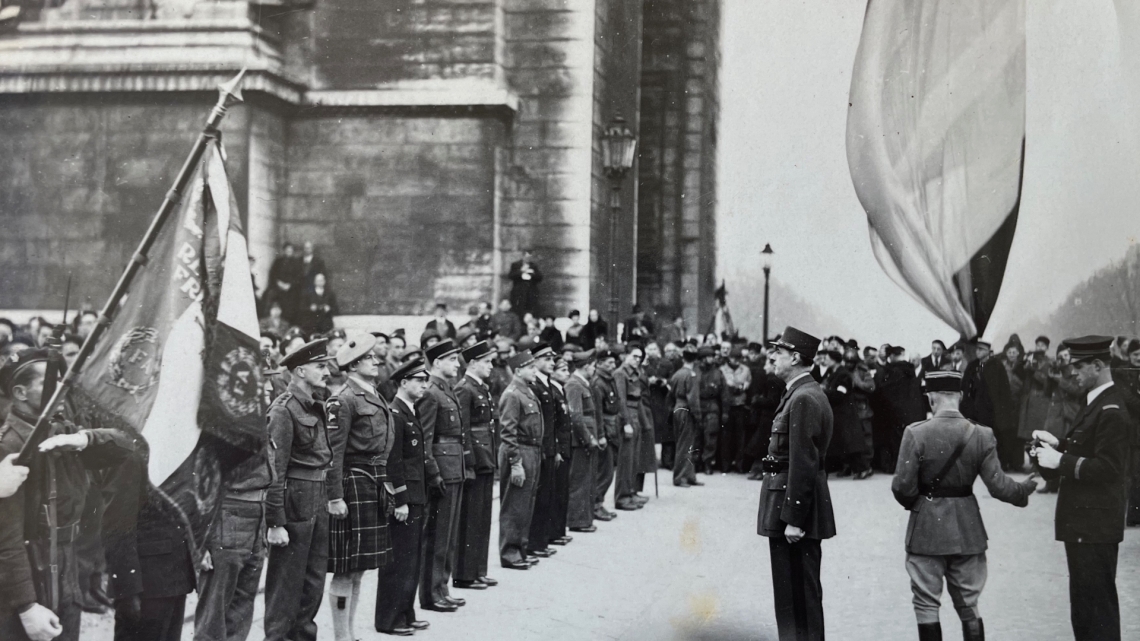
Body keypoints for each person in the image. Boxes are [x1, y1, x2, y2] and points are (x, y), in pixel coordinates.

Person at [0, 348, 136, 641]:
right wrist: (26, 606)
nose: (62, 390)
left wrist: (85, 439)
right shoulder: (11, 446)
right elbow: (7, 539)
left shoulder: (62, 432)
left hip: (66, 567)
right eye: (50, 383)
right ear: (20, 392)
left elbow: (128, 448)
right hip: (26, 574)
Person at [892, 371, 1037, 641]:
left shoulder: (915, 433)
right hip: (968, 530)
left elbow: (902, 487)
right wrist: (1023, 490)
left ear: (931, 399)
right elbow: (999, 486)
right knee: (969, 603)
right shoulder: (981, 434)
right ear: (959, 397)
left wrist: (921, 503)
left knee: (926, 603)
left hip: (926, 531)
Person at [1031, 335, 1132, 641]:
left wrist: (1060, 460)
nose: (1070, 372)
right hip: (1086, 524)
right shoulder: (1098, 401)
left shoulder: (1111, 408)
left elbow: (1109, 468)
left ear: (1098, 365)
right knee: (1085, 610)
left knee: (1096, 612)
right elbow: (1088, 448)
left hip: (1095, 526)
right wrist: (1057, 444)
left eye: (1078, 366)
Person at [757, 326, 835, 641]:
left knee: (796, 599)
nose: (772, 356)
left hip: (792, 511)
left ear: (794, 357)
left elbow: (803, 463)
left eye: (778, 351)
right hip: (790, 505)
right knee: (796, 596)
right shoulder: (801, 393)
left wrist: (793, 519)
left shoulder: (803, 397)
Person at [264, 339, 338, 641]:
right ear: (299, 370)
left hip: (316, 499)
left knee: (313, 580)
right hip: (295, 499)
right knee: (286, 583)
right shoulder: (283, 410)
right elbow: (274, 469)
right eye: (320, 366)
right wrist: (275, 521)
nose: (327, 371)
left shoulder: (315, 405)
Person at [326, 333, 396, 641]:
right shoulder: (344, 399)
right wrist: (335, 496)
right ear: (353, 365)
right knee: (346, 567)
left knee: (361, 567)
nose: (376, 361)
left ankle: (349, 633)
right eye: (369, 358)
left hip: (373, 482)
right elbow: (334, 452)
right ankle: (342, 636)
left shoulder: (372, 393)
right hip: (353, 484)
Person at [193, 379, 276, 641]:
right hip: (229, 513)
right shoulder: (222, 426)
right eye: (261, 385)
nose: (268, 389)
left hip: (256, 513)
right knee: (215, 606)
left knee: (243, 603)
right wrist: (200, 540)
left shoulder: (262, 424)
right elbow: (201, 484)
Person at [374, 358, 432, 636]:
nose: (424, 385)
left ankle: (406, 612)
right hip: (405, 497)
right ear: (404, 382)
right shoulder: (395, 413)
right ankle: (389, 618)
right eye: (419, 381)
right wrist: (400, 500)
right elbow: (393, 462)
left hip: (416, 494)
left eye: (425, 380)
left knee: (412, 559)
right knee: (398, 561)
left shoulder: (410, 411)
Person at [416, 340, 467, 613]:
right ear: (437, 362)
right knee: (436, 536)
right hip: (441, 472)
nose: (457, 365)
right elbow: (425, 440)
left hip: (453, 468)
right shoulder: (431, 393)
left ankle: (442, 588)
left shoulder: (446, 390)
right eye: (452, 360)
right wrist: (433, 473)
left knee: (447, 535)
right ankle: (431, 593)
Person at [452, 341, 499, 591]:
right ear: (472, 363)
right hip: (476, 460)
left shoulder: (481, 388)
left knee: (482, 517)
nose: (491, 366)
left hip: (486, 457)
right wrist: (469, 461)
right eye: (487, 362)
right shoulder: (465, 389)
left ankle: (479, 570)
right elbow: (464, 429)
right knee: (470, 519)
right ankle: (464, 574)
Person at [497, 351, 544, 569]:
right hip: (519, 451)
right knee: (514, 504)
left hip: (531, 450)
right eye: (531, 367)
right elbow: (508, 432)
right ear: (517, 370)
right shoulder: (513, 394)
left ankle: (521, 548)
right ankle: (510, 552)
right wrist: (516, 463)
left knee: (526, 502)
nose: (535, 371)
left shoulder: (527, 391)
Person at [525, 343, 560, 556]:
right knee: (538, 497)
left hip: (548, 446)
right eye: (546, 359)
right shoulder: (535, 384)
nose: (552, 363)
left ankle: (541, 541)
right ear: (535, 361)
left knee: (546, 494)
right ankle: (534, 543)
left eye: (552, 359)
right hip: (540, 447)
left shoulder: (546, 384)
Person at [565, 350, 601, 533]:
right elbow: (576, 416)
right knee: (579, 481)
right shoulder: (574, 385)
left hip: (585, 439)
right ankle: (577, 520)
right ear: (586, 366)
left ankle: (584, 519)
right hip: (580, 441)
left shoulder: (580, 384)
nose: (594, 370)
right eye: (593, 366)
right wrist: (588, 439)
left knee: (586, 479)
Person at [613, 345, 647, 510]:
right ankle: (622, 497)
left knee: (634, 458)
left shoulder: (636, 373)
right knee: (626, 459)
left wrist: (644, 423)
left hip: (635, 417)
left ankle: (631, 491)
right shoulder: (621, 373)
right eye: (634, 356)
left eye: (640, 357)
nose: (637, 360)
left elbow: (638, 400)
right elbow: (621, 399)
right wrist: (626, 422)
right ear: (625, 356)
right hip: (627, 417)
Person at [591, 349, 623, 519]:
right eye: (609, 362)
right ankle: (595, 505)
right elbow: (597, 412)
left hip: (612, 428)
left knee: (609, 471)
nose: (613, 365)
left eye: (613, 362)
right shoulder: (598, 383)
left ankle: (599, 503)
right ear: (599, 363)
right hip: (606, 431)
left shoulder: (609, 380)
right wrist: (601, 435)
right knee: (605, 472)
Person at [548, 356, 575, 544]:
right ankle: (554, 532)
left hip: (565, 445)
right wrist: (557, 448)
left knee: (562, 490)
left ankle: (559, 530)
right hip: (559, 446)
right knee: (556, 491)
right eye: (563, 370)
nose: (567, 374)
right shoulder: (553, 392)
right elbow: (554, 424)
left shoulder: (561, 391)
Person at [668, 347, 704, 488]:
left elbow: (670, 395)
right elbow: (693, 399)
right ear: (695, 359)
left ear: (683, 358)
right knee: (686, 444)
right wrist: (698, 416)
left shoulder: (677, 374)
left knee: (684, 443)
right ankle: (679, 477)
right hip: (687, 410)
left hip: (677, 408)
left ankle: (689, 475)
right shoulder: (692, 375)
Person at [719, 346, 751, 473]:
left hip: (740, 406)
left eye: (739, 358)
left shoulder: (746, 370)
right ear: (729, 358)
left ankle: (739, 464)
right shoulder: (722, 370)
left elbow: (747, 385)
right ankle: (725, 465)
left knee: (740, 437)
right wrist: (736, 386)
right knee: (726, 437)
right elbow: (725, 386)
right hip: (727, 406)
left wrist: (737, 386)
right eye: (733, 358)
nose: (736, 360)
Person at [696, 346, 726, 473]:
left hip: (712, 407)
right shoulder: (695, 372)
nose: (712, 359)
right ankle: (696, 462)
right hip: (697, 406)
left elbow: (724, 394)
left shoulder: (718, 373)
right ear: (703, 358)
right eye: (709, 356)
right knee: (696, 436)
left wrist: (725, 412)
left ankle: (708, 462)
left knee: (711, 436)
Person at [265, 242, 303, 322]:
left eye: (290, 250)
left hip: (292, 291)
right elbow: (273, 274)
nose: (288, 252)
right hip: (279, 290)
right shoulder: (278, 261)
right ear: (284, 250)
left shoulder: (297, 263)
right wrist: (279, 283)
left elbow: (299, 277)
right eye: (287, 250)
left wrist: (290, 285)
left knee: (291, 309)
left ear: (293, 251)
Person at [507, 250, 543, 317]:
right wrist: (521, 271)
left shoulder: (534, 266)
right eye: (526, 257)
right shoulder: (515, 265)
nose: (528, 259)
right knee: (518, 309)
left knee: (530, 310)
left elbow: (540, 277)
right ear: (523, 256)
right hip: (519, 293)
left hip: (531, 292)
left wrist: (532, 273)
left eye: (530, 257)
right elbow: (510, 276)